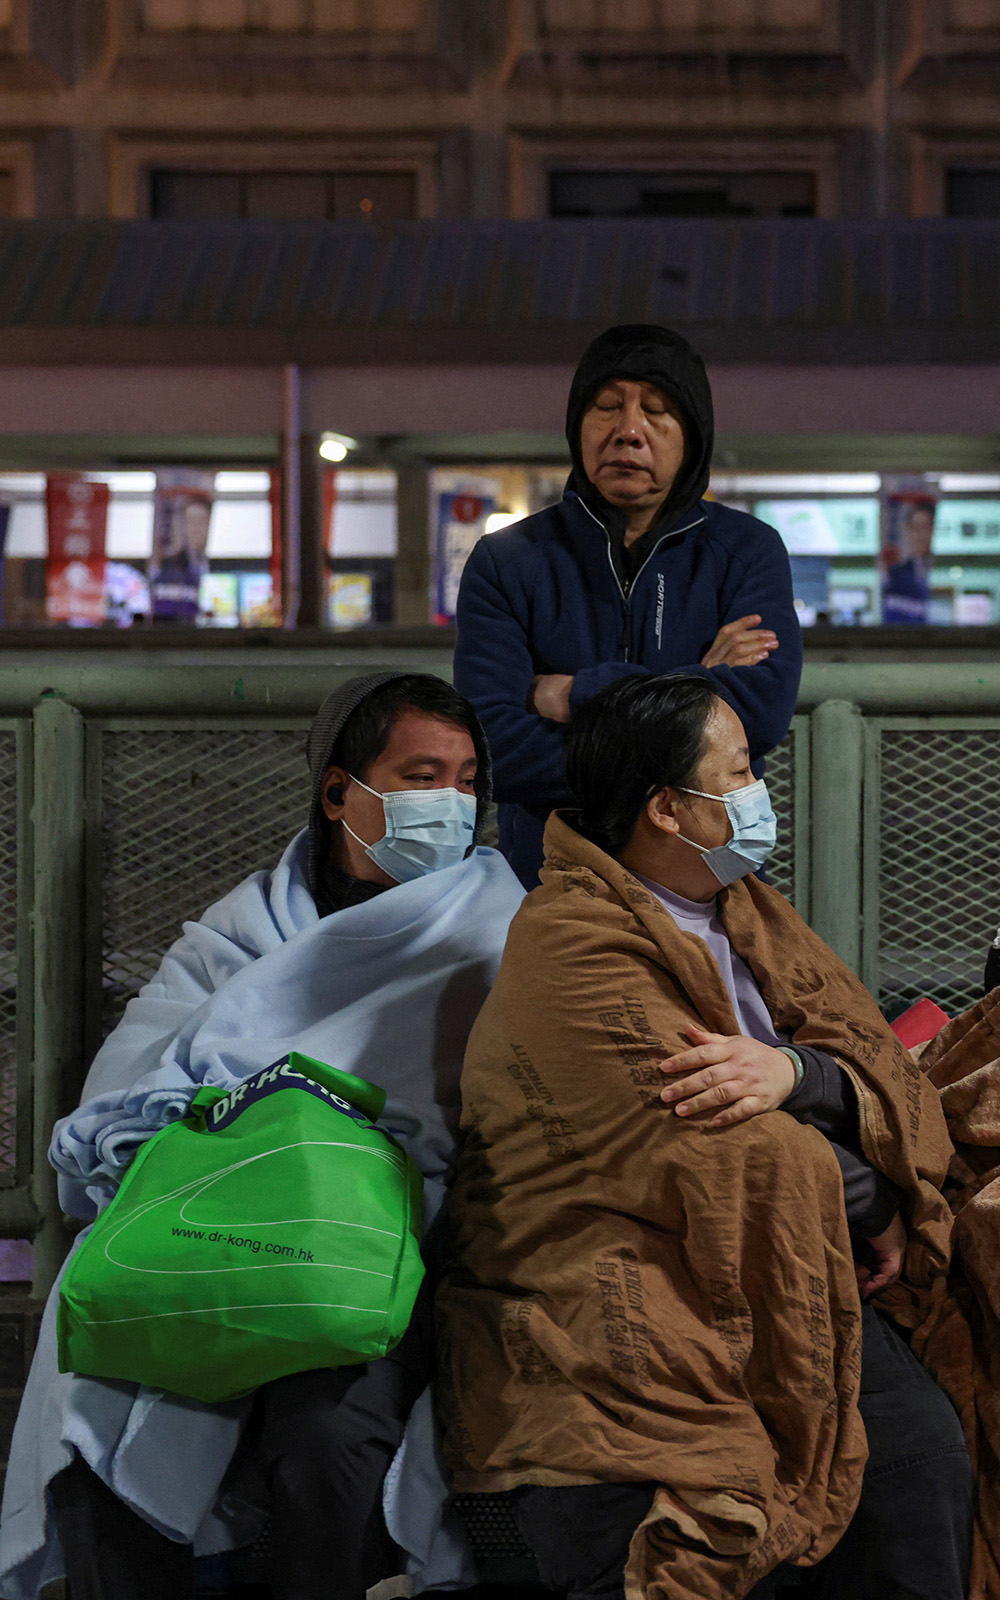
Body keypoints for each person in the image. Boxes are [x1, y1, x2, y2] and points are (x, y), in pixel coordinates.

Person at [437, 672, 973, 1600]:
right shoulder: (571, 944)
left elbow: (868, 1061)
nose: (759, 790)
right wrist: (869, 1197)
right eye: (740, 772)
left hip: (796, 1253)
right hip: (630, 1266)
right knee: (718, 1506)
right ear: (668, 811)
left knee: (921, 1457)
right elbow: (720, 1148)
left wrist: (798, 1078)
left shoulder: (750, 911)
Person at [0, 670, 524, 1600]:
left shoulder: (497, 928)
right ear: (337, 793)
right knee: (96, 1401)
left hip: (380, 1257)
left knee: (335, 1437)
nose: (451, 802)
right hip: (213, 1236)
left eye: (466, 779)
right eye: (420, 775)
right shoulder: (240, 933)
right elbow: (120, 1101)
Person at [454, 322, 803, 888]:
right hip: (548, 883)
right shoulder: (507, 560)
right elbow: (493, 746)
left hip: (707, 880)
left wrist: (574, 694)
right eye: (606, 407)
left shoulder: (745, 550)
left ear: (693, 433)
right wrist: (696, 693)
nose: (628, 432)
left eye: (658, 411)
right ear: (577, 425)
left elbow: (759, 714)